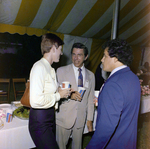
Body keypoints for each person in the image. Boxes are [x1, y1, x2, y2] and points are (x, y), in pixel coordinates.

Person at [86, 38, 141, 149]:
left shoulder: (113, 84)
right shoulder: (133, 78)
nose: (102, 60)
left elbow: (106, 128)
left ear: (115, 58)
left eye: (105, 56)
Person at [29, 33, 71, 149]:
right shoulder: (39, 67)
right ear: (53, 48)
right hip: (40, 121)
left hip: (48, 117)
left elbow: (46, 91)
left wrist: (60, 91)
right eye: (60, 50)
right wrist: (58, 95)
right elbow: (35, 101)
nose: (61, 53)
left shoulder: (50, 69)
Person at [56, 42, 95, 149]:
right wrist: (69, 95)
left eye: (79, 55)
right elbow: (55, 94)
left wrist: (89, 119)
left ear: (86, 57)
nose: (76, 58)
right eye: (73, 54)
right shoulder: (61, 71)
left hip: (80, 118)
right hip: (64, 118)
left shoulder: (91, 76)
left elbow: (90, 99)